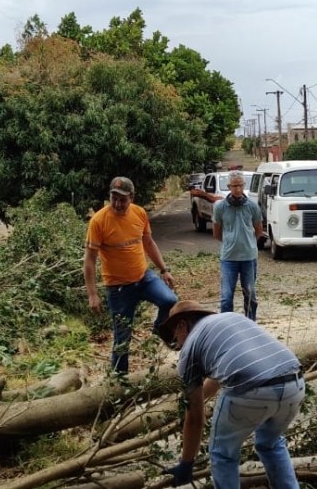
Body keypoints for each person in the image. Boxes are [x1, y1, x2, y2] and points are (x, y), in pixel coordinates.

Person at [160, 300, 304, 489]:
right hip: (294, 382)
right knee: (270, 443)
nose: (177, 343)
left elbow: (195, 419)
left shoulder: (188, 351)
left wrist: (186, 464)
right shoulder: (231, 319)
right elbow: (226, 372)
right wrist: (194, 398)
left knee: (222, 454)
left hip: (251, 390)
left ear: (181, 325)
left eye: (175, 337)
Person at [84, 176, 178, 374]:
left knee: (170, 300)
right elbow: (90, 260)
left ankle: (158, 332)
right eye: (114, 198)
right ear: (109, 196)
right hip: (118, 288)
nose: (118, 203)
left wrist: (164, 269)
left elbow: (149, 243)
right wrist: (92, 294)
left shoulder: (139, 213)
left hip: (144, 277)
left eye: (123, 199)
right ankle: (120, 381)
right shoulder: (98, 221)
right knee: (122, 338)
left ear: (132, 198)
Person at [213, 170, 263, 321]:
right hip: (228, 258)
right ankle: (228, 326)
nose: (238, 189)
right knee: (226, 297)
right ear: (229, 186)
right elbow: (217, 232)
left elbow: (258, 230)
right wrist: (230, 242)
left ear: (244, 185)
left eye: (240, 185)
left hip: (248, 257)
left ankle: (251, 325)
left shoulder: (252, 206)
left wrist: (248, 243)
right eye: (234, 186)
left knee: (250, 296)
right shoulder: (220, 207)